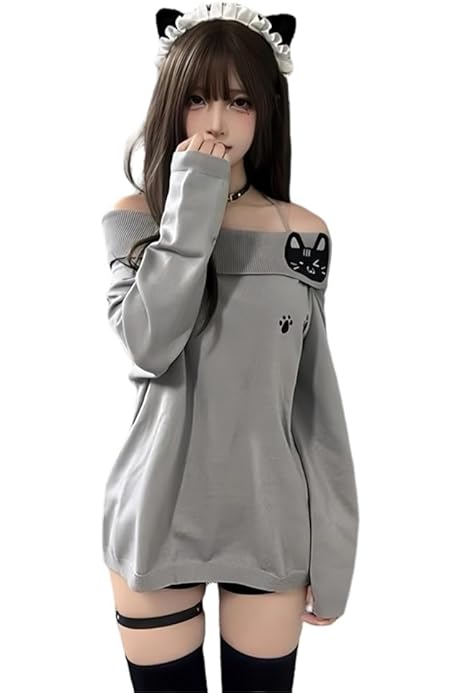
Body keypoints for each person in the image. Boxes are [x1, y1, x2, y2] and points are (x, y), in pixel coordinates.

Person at [100, 3, 360, 692]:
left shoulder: (301, 232)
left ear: (266, 110)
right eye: (198, 98)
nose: (216, 122)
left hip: (269, 521)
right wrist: (193, 200)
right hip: (155, 515)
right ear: (171, 103)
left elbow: (315, 406)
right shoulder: (135, 220)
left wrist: (336, 549)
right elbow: (149, 344)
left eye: (239, 101)